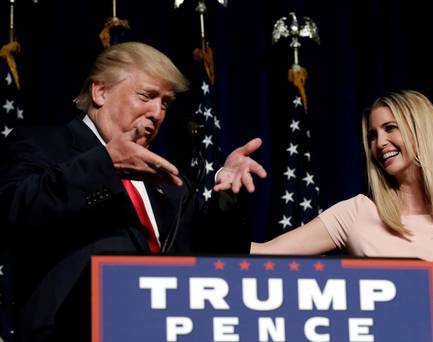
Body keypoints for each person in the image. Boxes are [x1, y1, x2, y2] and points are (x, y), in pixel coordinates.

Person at [0, 41, 267, 342]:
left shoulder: (169, 183)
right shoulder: (42, 145)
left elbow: (215, 263)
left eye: (165, 103)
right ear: (100, 92)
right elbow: (15, 210)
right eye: (147, 96)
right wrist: (105, 164)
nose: (157, 113)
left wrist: (226, 195)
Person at [251, 90, 433, 342]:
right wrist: (220, 186)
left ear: (422, 130)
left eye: (390, 128)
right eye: (373, 135)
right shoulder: (356, 213)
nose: (379, 143)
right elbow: (261, 253)